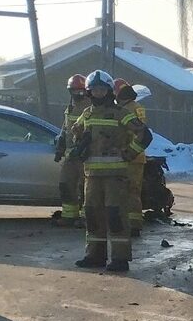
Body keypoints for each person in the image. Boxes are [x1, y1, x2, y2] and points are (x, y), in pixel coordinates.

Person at [72, 69, 146, 272]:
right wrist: (80, 143)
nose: (97, 93)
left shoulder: (121, 114)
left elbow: (144, 135)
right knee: (93, 214)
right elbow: (75, 135)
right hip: (92, 176)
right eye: (93, 90)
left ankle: (120, 259)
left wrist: (129, 154)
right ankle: (95, 255)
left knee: (115, 215)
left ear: (109, 91)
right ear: (89, 92)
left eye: (101, 89)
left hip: (116, 176)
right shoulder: (86, 114)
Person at [52, 73, 89, 225]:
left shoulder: (89, 107)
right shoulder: (71, 106)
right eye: (74, 90)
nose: (77, 93)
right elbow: (65, 128)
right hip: (69, 157)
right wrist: (60, 144)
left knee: (83, 188)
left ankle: (86, 218)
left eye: (80, 90)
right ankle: (69, 215)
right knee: (65, 184)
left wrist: (81, 149)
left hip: (83, 156)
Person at [113, 80, 147, 232]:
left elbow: (138, 131)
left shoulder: (129, 109)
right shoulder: (134, 107)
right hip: (133, 155)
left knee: (130, 190)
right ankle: (131, 222)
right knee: (130, 191)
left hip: (130, 155)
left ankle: (133, 224)